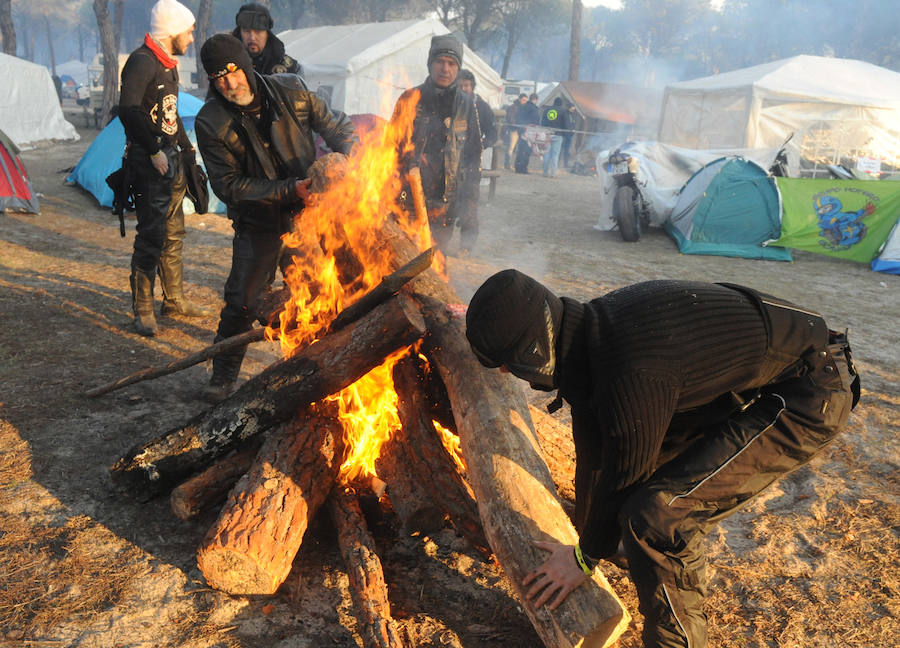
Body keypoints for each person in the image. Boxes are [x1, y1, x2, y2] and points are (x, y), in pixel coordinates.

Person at [465, 270, 859, 648]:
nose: (503, 371)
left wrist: (584, 558)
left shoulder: (629, 369)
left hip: (809, 390)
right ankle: (629, 553)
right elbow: (596, 448)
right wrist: (586, 534)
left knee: (659, 516)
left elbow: (625, 472)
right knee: (630, 497)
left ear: (532, 349)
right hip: (749, 378)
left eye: (504, 361)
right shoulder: (589, 335)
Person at [195, 34, 355, 401]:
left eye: (234, 71)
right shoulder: (211, 121)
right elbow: (229, 185)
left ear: (246, 66)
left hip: (311, 216)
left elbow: (340, 127)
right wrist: (288, 190)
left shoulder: (293, 90)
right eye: (219, 77)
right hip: (260, 222)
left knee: (325, 293)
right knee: (243, 301)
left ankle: (326, 368)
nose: (229, 83)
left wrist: (346, 159)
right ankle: (222, 377)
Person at [118, 0, 209, 337]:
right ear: (172, 31)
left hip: (171, 160)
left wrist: (186, 149)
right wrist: (154, 149)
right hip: (150, 161)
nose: (191, 36)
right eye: (188, 29)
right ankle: (143, 311)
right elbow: (128, 110)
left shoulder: (166, 63)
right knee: (152, 236)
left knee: (173, 234)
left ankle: (174, 300)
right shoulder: (142, 62)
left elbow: (170, 112)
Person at [391, 35, 482, 253]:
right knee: (403, 261)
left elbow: (473, 157)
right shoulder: (410, 99)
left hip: (444, 205)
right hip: (407, 201)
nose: (445, 69)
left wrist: (470, 207)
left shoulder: (466, 105)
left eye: (452, 64)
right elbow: (390, 149)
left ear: (458, 68)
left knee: (435, 263)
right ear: (431, 63)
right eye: (440, 61)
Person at [455, 68, 496, 255]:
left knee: (469, 203)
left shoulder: (482, 107)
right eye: (460, 86)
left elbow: (493, 134)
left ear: (472, 87)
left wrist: (481, 144)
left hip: (471, 164)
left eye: (466, 86)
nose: (464, 89)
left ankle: (466, 245)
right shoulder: (451, 104)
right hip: (450, 163)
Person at [231, 2, 301, 76]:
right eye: (247, 31)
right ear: (240, 33)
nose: (252, 38)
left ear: (267, 34)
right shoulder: (228, 63)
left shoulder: (288, 67)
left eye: (258, 32)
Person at [541, 97, 568, 178]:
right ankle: (553, 173)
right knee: (555, 155)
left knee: (546, 154)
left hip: (547, 134)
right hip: (558, 135)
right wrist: (565, 133)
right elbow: (565, 124)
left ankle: (545, 172)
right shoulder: (563, 111)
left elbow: (542, 122)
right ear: (561, 103)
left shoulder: (546, 110)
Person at [514, 92, 540, 174]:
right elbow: (536, 121)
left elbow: (518, 118)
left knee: (520, 149)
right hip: (529, 132)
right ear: (535, 100)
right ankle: (523, 168)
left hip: (521, 131)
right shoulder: (534, 108)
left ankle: (517, 167)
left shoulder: (522, 106)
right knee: (527, 150)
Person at [504, 93, 527, 169]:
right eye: (523, 100)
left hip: (520, 130)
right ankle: (507, 164)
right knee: (510, 148)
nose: (525, 102)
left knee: (517, 149)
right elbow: (510, 118)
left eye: (526, 100)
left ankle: (514, 164)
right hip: (514, 130)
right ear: (520, 99)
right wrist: (517, 125)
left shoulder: (523, 108)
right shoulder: (513, 107)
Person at [560, 102, 577, 168]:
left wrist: (573, 130)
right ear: (570, 107)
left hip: (569, 135)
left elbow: (573, 123)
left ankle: (565, 164)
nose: (574, 109)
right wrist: (570, 129)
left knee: (567, 150)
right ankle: (557, 163)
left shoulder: (573, 115)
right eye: (573, 107)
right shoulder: (565, 114)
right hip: (564, 135)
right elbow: (566, 124)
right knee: (561, 149)